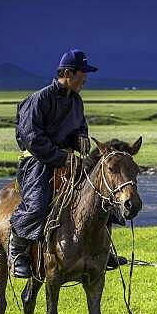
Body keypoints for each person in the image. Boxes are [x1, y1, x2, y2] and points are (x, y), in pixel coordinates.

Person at [8, 49, 96, 278]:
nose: (85, 78)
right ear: (67, 73)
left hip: (68, 159)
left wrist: (81, 140)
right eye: (82, 73)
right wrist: (60, 157)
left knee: (98, 195)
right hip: (38, 162)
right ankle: (17, 250)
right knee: (37, 204)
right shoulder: (39, 99)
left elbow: (80, 128)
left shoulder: (76, 101)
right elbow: (31, 137)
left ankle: (99, 250)